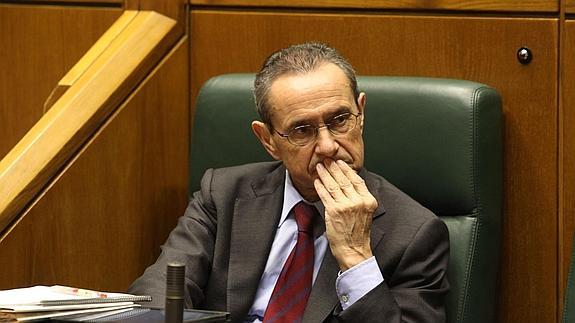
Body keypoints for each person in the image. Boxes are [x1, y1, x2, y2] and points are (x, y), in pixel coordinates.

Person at [129, 42, 449, 323]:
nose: (327, 146)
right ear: (268, 140)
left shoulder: (415, 234)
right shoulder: (223, 194)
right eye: (302, 130)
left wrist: (355, 256)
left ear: (360, 113)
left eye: (340, 120)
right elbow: (159, 291)